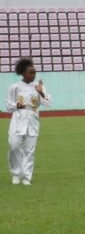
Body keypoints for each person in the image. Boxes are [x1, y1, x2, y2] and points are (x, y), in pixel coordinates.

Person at [7, 58, 51, 186]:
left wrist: (41, 92)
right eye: (30, 73)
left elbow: (48, 103)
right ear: (23, 73)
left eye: (34, 73)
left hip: (32, 120)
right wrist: (16, 106)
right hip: (18, 119)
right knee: (13, 146)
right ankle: (16, 173)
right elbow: (8, 105)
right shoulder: (14, 87)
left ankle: (26, 177)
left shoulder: (38, 86)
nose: (33, 75)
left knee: (29, 151)